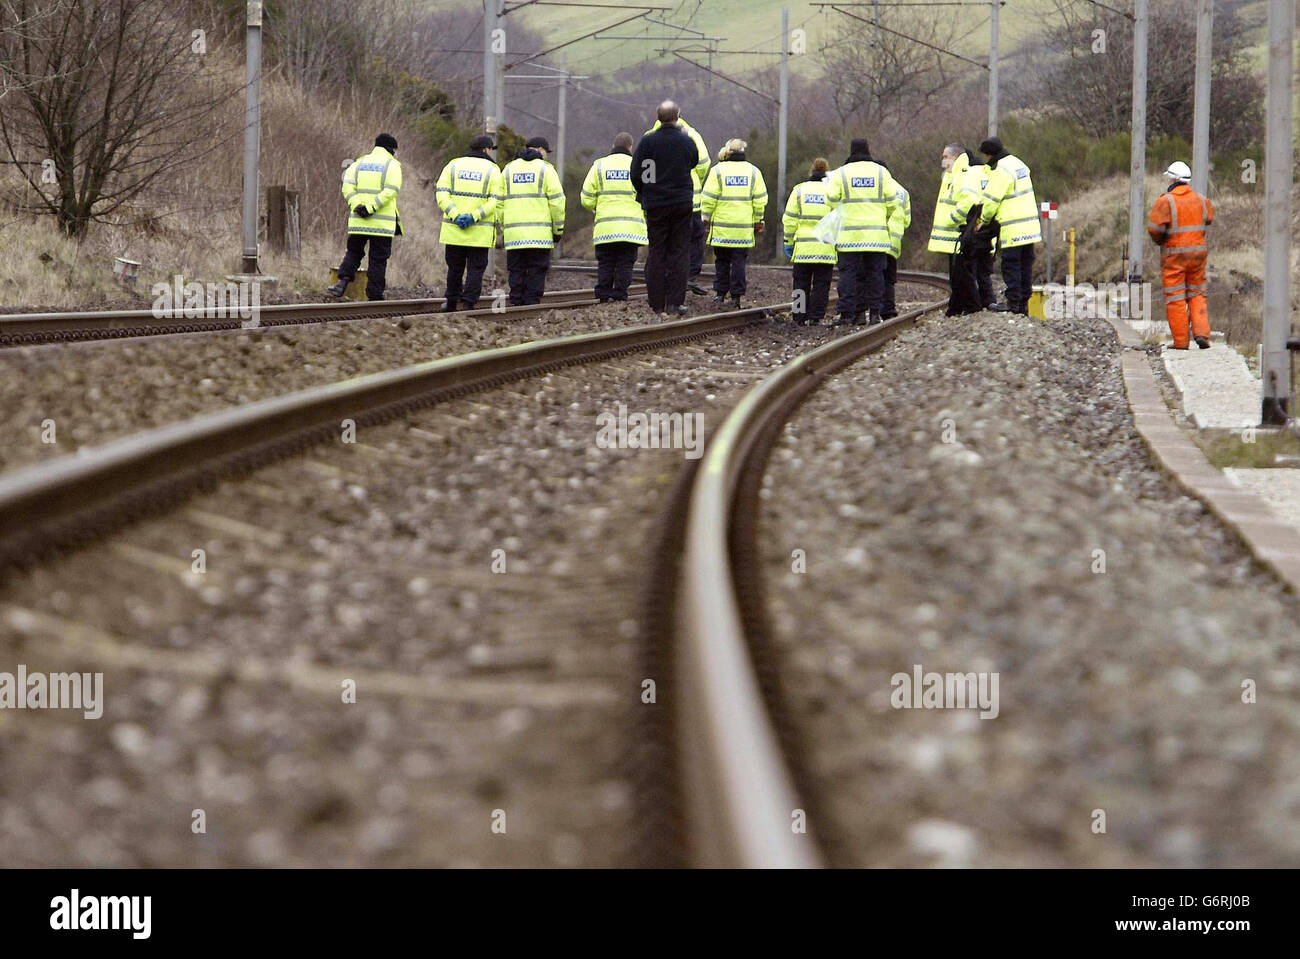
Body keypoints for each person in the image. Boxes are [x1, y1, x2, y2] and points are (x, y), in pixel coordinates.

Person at [631, 100, 699, 317]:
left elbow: (637, 172)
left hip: (655, 204)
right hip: (681, 202)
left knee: (657, 251)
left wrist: (645, 192)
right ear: (677, 116)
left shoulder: (647, 142)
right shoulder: (685, 140)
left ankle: (656, 303)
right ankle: (674, 302)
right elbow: (694, 162)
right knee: (679, 251)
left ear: (658, 117)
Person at [824, 137, 900, 325]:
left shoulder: (841, 173)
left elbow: (830, 199)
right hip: (876, 235)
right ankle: (874, 313)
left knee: (848, 274)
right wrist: (883, 216)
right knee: (875, 274)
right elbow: (893, 201)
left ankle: (848, 314)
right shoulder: (881, 172)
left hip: (849, 235)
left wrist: (843, 210)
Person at [327, 133, 403, 301]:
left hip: (358, 221)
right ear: (391, 149)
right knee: (378, 260)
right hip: (381, 225)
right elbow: (390, 190)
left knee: (353, 252)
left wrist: (357, 206)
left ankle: (342, 283)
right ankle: (374, 295)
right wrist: (371, 207)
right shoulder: (393, 165)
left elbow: (347, 186)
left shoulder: (359, 162)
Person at [1148, 160, 1214, 350]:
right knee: (1197, 293)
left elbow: (1154, 228)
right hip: (1198, 255)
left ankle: (1181, 342)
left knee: (1175, 297)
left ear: (1173, 179)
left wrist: (1162, 240)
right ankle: (1202, 333)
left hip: (1174, 256)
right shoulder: (1202, 200)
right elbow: (1208, 218)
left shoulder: (1165, 201)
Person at [434, 134, 503, 312]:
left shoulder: (453, 165)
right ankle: (468, 303)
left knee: (454, 267)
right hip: (479, 233)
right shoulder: (493, 170)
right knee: (476, 269)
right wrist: (474, 216)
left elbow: (441, 194)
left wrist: (455, 215)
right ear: (487, 149)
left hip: (454, 230)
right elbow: (494, 201)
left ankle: (451, 302)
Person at [644, 114, 710, 295]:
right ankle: (689, 278)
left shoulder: (650, 136)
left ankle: (661, 280)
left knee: (661, 242)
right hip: (688, 199)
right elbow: (704, 163)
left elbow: (644, 169)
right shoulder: (692, 134)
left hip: (659, 200)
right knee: (692, 240)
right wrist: (695, 179)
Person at [976, 136, 1041, 315]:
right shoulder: (1019, 164)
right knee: (1026, 265)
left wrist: (983, 221)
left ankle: (1013, 304)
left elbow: (991, 201)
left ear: (989, 155)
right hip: (1031, 227)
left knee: (1011, 265)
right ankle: (1023, 305)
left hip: (1013, 227)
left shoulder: (1002, 170)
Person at [580, 133, 648, 303]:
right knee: (626, 261)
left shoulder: (599, 166)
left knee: (606, 261)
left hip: (606, 226)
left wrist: (597, 207)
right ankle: (620, 293)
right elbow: (648, 194)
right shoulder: (638, 166)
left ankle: (603, 293)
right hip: (631, 227)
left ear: (613, 145)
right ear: (630, 147)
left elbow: (586, 198)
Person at [700, 139, 767, 309]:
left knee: (721, 260)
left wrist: (705, 218)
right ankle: (736, 296)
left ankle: (720, 293)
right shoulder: (754, 172)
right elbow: (759, 201)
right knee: (738, 262)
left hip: (722, 227)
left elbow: (708, 198)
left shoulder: (717, 172)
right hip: (743, 229)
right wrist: (758, 220)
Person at [498, 136, 565, 306]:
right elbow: (557, 202)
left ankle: (516, 303)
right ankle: (531, 306)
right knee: (536, 269)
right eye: (546, 152)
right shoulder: (546, 170)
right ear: (540, 150)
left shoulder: (508, 169)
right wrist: (558, 230)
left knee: (516, 269)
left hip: (514, 235)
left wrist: (504, 226)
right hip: (540, 236)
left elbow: (498, 202)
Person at [782, 157, 836, 325]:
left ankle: (798, 316)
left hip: (803, 248)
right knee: (821, 285)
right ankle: (816, 317)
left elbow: (790, 219)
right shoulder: (833, 192)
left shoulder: (799, 190)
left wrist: (788, 241)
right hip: (825, 248)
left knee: (800, 284)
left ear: (811, 171)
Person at [936, 144, 986, 315]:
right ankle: (957, 307)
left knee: (962, 272)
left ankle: (971, 306)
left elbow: (969, 200)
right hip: (956, 233)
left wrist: (952, 219)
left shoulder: (962, 174)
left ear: (956, 157)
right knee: (958, 273)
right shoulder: (954, 175)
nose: (943, 161)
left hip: (960, 231)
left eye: (945, 157)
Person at [877, 159, 911, 320]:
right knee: (889, 278)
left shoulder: (878, 188)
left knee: (872, 275)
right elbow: (907, 220)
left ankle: (872, 308)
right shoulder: (902, 191)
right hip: (894, 242)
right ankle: (888, 309)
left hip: (876, 239)